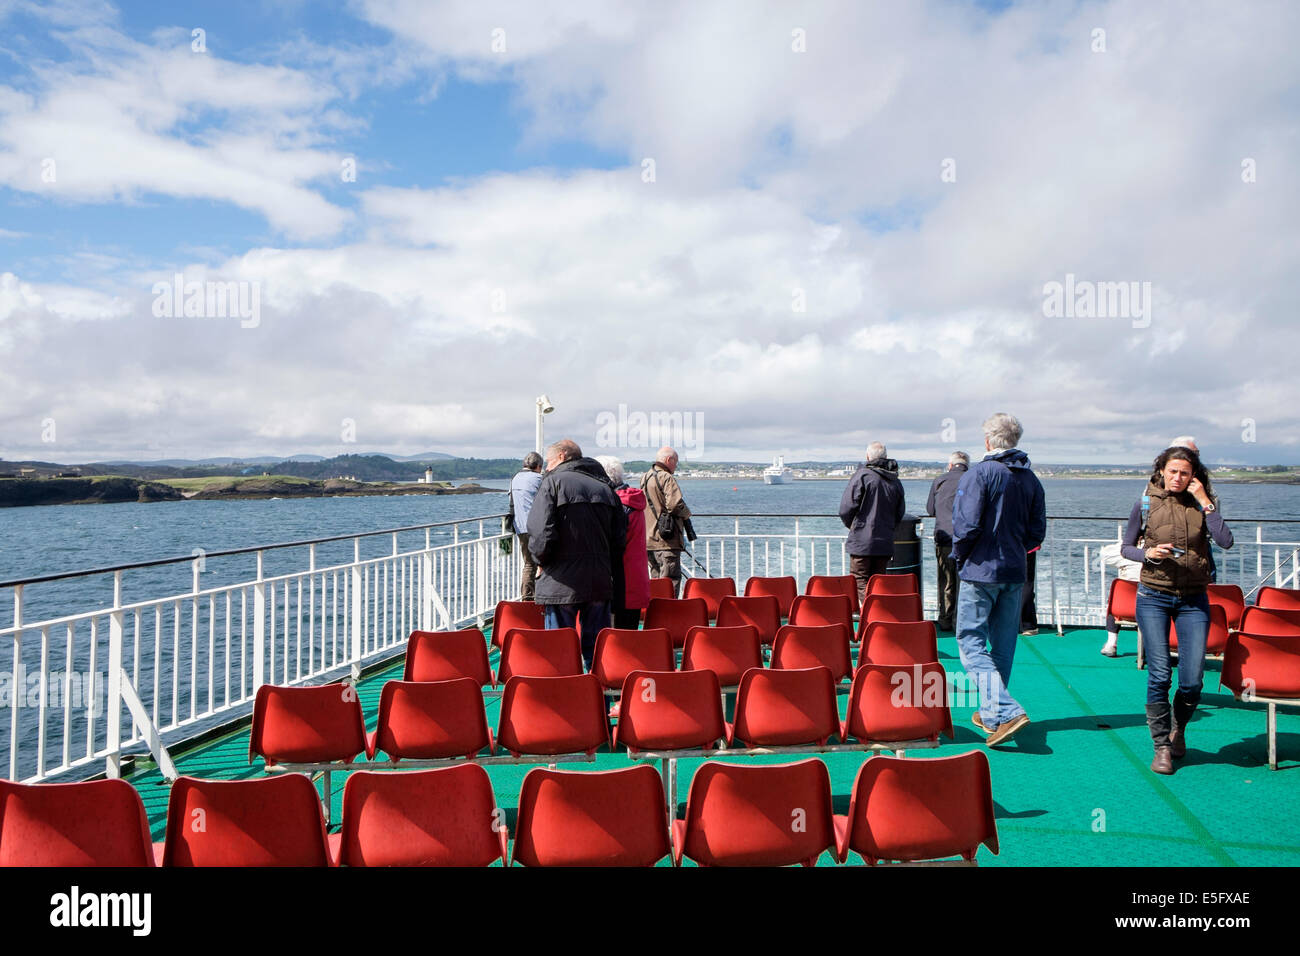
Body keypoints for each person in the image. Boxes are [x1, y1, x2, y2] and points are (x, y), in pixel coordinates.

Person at [1120, 445, 1232, 775]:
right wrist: (1150, 554)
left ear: (1193, 475)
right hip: (1153, 596)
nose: (1177, 478)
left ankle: (1179, 728)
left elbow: (1226, 541)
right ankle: (1161, 747)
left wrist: (1206, 502)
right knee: (1159, 674)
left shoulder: (1203, 503)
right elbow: (1127, 548)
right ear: (1161, 471)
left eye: (1184, 473)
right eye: (1172, 471)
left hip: (1193, 599)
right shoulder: (1144, 503)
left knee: (1192, 681)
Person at [952, 413, 1046, 748]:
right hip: (1014, 571)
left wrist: (960, 555)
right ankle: (992, 715)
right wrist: (1016, 551)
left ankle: (1006, 709)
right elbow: (1037, 533)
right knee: (1004, 644)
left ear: (989, 441)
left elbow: (966, 525)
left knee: (970, 643)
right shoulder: (1031, 479)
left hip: (981, 570)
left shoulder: (980, 474)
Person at [526, 439, 627, 670]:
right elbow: (620, 538)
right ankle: (598, 703)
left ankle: (564, 704)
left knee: (559, 654)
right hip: (599, 583)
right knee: (597, 656)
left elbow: (541, 533)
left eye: (549, 462)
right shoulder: (605, 488)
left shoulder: (552, 483)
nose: (546, 467)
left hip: (560, 583)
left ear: (562, 456)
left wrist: (541, 561)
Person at [839, 441, 906, 605]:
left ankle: (869, 618)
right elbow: (899, 512)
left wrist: (855, 526)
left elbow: (846, 508)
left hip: (862, 542)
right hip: (884, 542)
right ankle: (878, 616)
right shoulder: (895, 481)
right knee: (879, 583)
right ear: (886, 457)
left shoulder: (863, 476)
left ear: (868, 456)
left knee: (860, 581)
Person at [595, 455, 650, 630]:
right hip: (635, 578)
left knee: (614, 639)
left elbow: (613, 543)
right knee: (629, 637)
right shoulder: (633, 501)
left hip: (619, 580)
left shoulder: (617, 505)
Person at [926, 451, 969, 632]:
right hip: (967, 539)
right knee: (966, 582)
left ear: (950, 465)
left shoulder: (940, 480)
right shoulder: (972, 479)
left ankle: (945, 619)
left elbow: (930, 510)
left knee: (946, 580)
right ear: (966, 465)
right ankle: (962, 620)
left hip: (944, 537)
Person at [641, 446, 692, 597]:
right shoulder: (666, 477)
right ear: (669, 460)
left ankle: (655, 614)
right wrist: (687, 514)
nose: (676, 466)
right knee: (671, 581)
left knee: (656, 582)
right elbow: (674, 504)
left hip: (649, 539)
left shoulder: (645, 477)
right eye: (676, 462)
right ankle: (669, 616)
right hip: (667, 540)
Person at [509, 452, 544, 601]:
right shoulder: (538, 478)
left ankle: (527, 598)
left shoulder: (515, 478)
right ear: (538, 466)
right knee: (545, 562)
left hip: (520, 527)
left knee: (529, 563)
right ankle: (539, 597)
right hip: (537, 526)